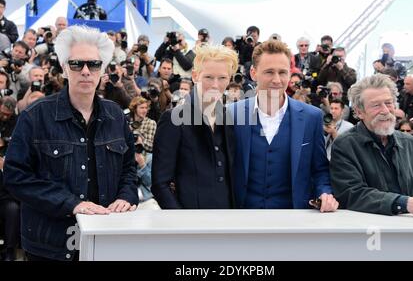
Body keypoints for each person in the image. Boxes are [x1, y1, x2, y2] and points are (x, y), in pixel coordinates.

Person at [3, 25, 138, 261]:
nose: (86, 71)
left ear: (102, 70)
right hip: (50, 245)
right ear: (65, 68)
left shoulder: (115, 115)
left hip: (107, 241)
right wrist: (72, 204)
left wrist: (126, 197)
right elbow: (16, 177)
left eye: (94, 64)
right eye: (77, 64)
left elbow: (128, 168)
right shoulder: (35, 116)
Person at [230, 40, 339, 211]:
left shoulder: (312, 117)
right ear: (253, 73)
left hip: (294, 221)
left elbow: (319, 170)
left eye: (282, 72)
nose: (277, 80)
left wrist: (325, 193)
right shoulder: (231, 114)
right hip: (242, 218)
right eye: (269, 72)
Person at [330, 74, 413, 218]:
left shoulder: (412, 144)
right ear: (359, 112)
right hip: (366, 233)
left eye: (389, 103)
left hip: (412, 231)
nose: (385, 110)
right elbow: (351, 194)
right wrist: (405, 203)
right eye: (376, 105)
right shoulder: (345, 145)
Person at [151, 45, 238, 209]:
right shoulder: (173, 119)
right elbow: (160, 184)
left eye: (222, 78)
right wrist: (181, 222)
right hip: (189, 224)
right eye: (209, 77)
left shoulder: (228, 117)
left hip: (228, 221)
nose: (215, 85)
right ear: (195, 76)